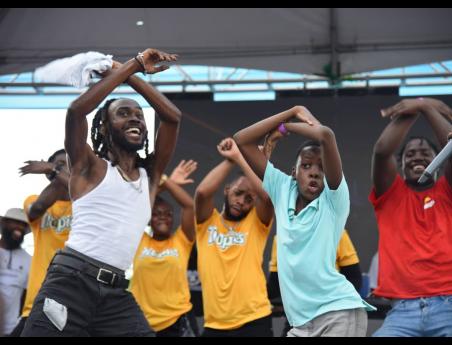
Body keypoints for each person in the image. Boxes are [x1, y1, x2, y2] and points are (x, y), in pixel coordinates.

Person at [21, 48, 181, 337]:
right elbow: (76, 111)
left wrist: (133, 73)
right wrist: (132, 65)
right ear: (105, 127)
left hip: (116, 293)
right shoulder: (88, 167)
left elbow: (172, 118)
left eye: (138, 115)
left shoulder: (150, 175)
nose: (135, 119)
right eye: (123, 114)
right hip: (71, 282)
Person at [234, 105, 374, 337]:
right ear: (293, 173)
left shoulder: (334, 200)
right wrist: (290, 112)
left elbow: (326, 136)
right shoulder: (282, 190)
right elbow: (242, 140)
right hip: (300, 323)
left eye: (321, 167)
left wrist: (286, 127)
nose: (314, 172)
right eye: (306, 165)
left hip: (337, 312)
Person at [370, 98, 452, 337]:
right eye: (410, 154)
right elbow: (381, 151)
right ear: (400, 164)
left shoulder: (450, 190)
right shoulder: (390, 194)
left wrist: (425, 107)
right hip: (402, 311)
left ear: (438, 159)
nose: (417, 157)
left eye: (425, 153)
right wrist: (416, 108)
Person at [194, 137, 274, 337]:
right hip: (215, 325)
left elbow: (266, 197)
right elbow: (202, 193)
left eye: (248, 199)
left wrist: (241, 158)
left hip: (255, 320)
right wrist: (231, 159)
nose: (241, 201)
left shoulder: (257, 222)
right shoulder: (207, 222)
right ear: (227, 189)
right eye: (238, 193)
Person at [130, 159, 200, 337]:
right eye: (157, 214)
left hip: (178, 321)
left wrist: (166, 180)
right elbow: (134, 208)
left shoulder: (182, 239)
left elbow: (189, 206)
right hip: (142, 322)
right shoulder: (140, 240)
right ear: (149, 218)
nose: (163, 218)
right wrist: (166, 183)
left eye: (168, 214)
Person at [8, 149, 72, 337]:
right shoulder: (33, 199)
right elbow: (37, 209)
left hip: (76, 302)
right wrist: (56, 173)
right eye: (60, 164)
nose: (64, 169)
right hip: (38, 302)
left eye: (70, 164)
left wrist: (54, 170)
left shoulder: (86, 202)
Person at [0, 208, 31, 336]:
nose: (19, 227)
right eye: (15, 222)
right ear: (4, 223)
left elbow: (26, 296)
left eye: (23, 224)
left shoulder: (29, 260)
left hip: (11, 331)